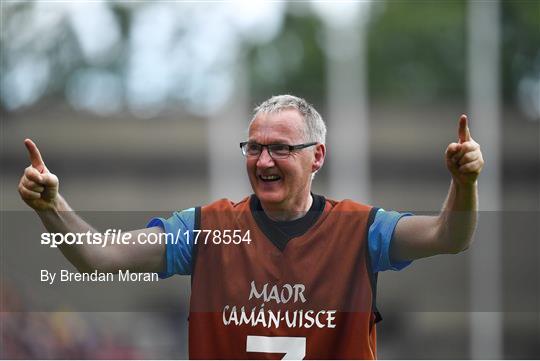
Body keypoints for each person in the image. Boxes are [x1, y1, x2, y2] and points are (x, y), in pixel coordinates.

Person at [19, 95, 484, 359]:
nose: (263, 161)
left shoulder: (362, 230)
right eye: (253, 147)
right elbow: (102, 257)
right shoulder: (204, 229)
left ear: (316, 156)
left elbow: (450, 236)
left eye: (280, 149)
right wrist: (51, 205)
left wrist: (464, 184)